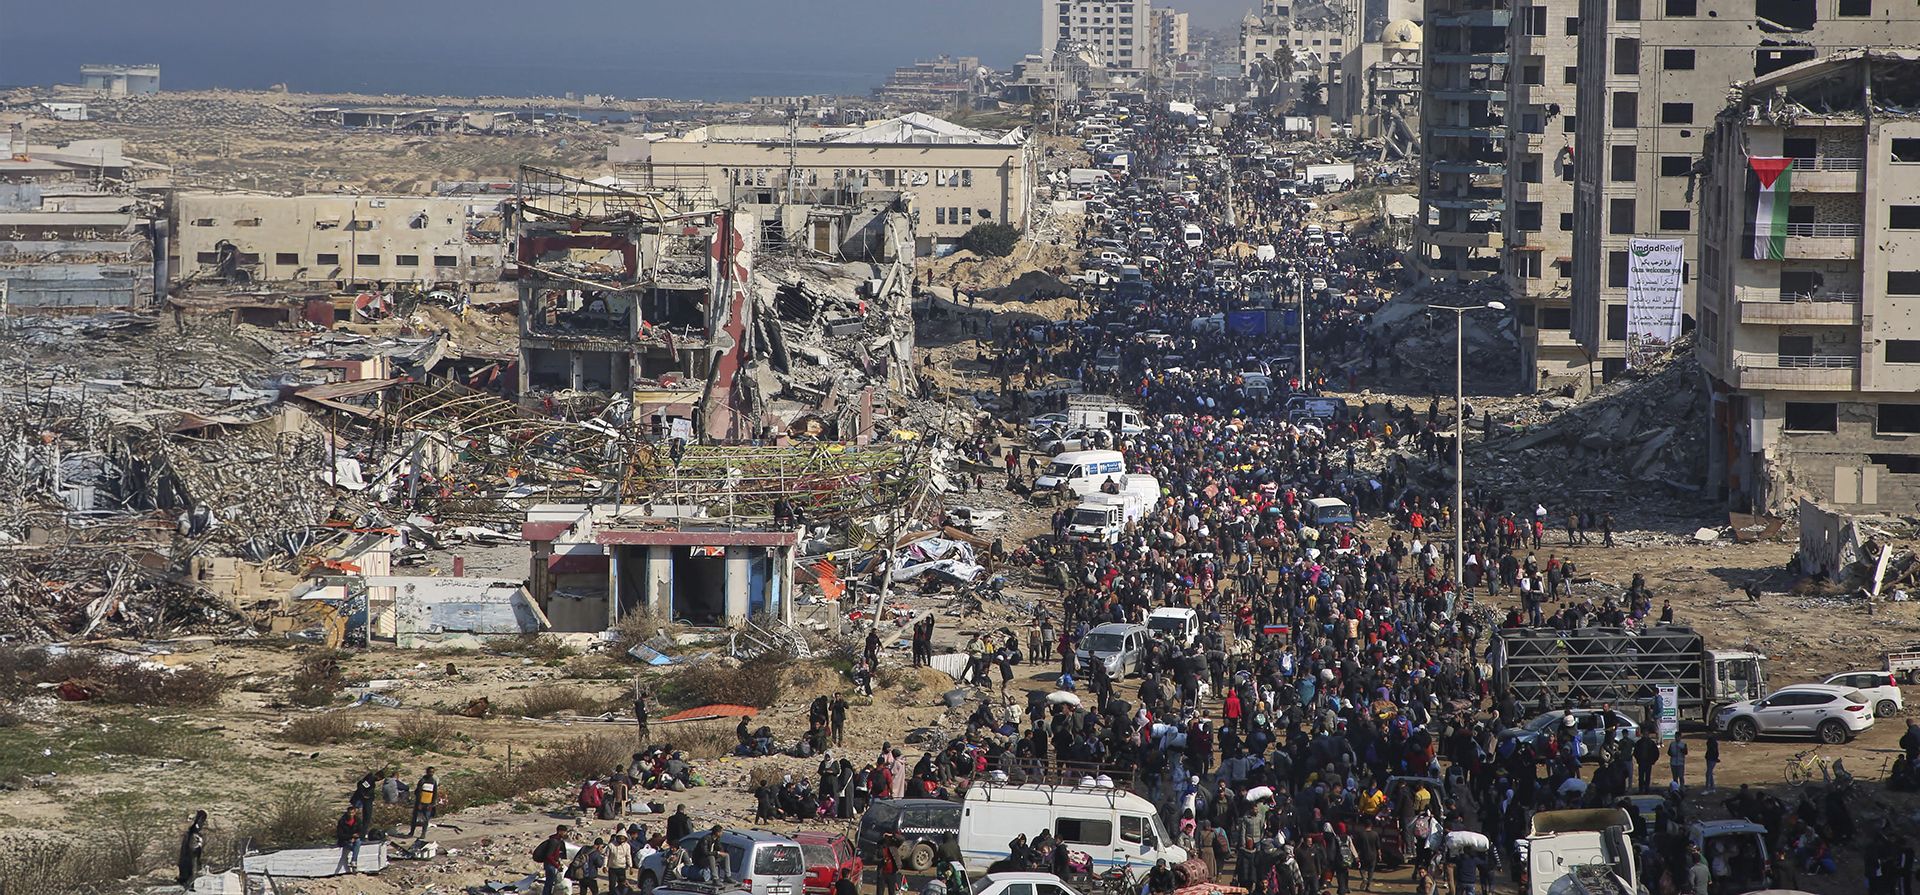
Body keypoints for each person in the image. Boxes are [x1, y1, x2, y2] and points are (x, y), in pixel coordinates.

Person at [535, 825, 571, 895]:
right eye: (564, 832)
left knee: (550, 882)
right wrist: (557, 865)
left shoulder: (557, 840)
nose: (566, 834)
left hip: (552, 864)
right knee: (549, 882)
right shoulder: (554, 841)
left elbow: (555, 854)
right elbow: (549, 856)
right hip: (550, 864)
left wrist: (558, 861)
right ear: (560, 832)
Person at [178, 810, 207, 890]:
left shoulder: (193, 831)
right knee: (190, 869)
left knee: (190, 869)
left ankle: (189, 884)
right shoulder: (193, 831)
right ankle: (188, 884)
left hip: (191, 853)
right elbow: (193, 845)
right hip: (190, 854)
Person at [408, 766, 438, 837]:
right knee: (415, 818)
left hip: (428, 803)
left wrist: (432, 803)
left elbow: (435, 793)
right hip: (420, 803)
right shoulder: (422, 780)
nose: (431, 773)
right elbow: (418, 792)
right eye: (430, 772)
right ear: (427, 772)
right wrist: (419, 803)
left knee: (426, 819)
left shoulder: (434, 782)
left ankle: (423, 833)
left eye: (432, 772)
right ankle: (412, 832)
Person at [335, 806, 364, 874]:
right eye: (349, 813)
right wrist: (350, 837)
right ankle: (354, 861)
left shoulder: (357, 820)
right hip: (344, 841)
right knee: (354, 847)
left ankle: (353, 861)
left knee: (358, 842)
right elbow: (340, 835)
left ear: (354, 813)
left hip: (354, 839)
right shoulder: (342, 821)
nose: (351, 814)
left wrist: (354, 837)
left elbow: (360, 831)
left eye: (352, 813)